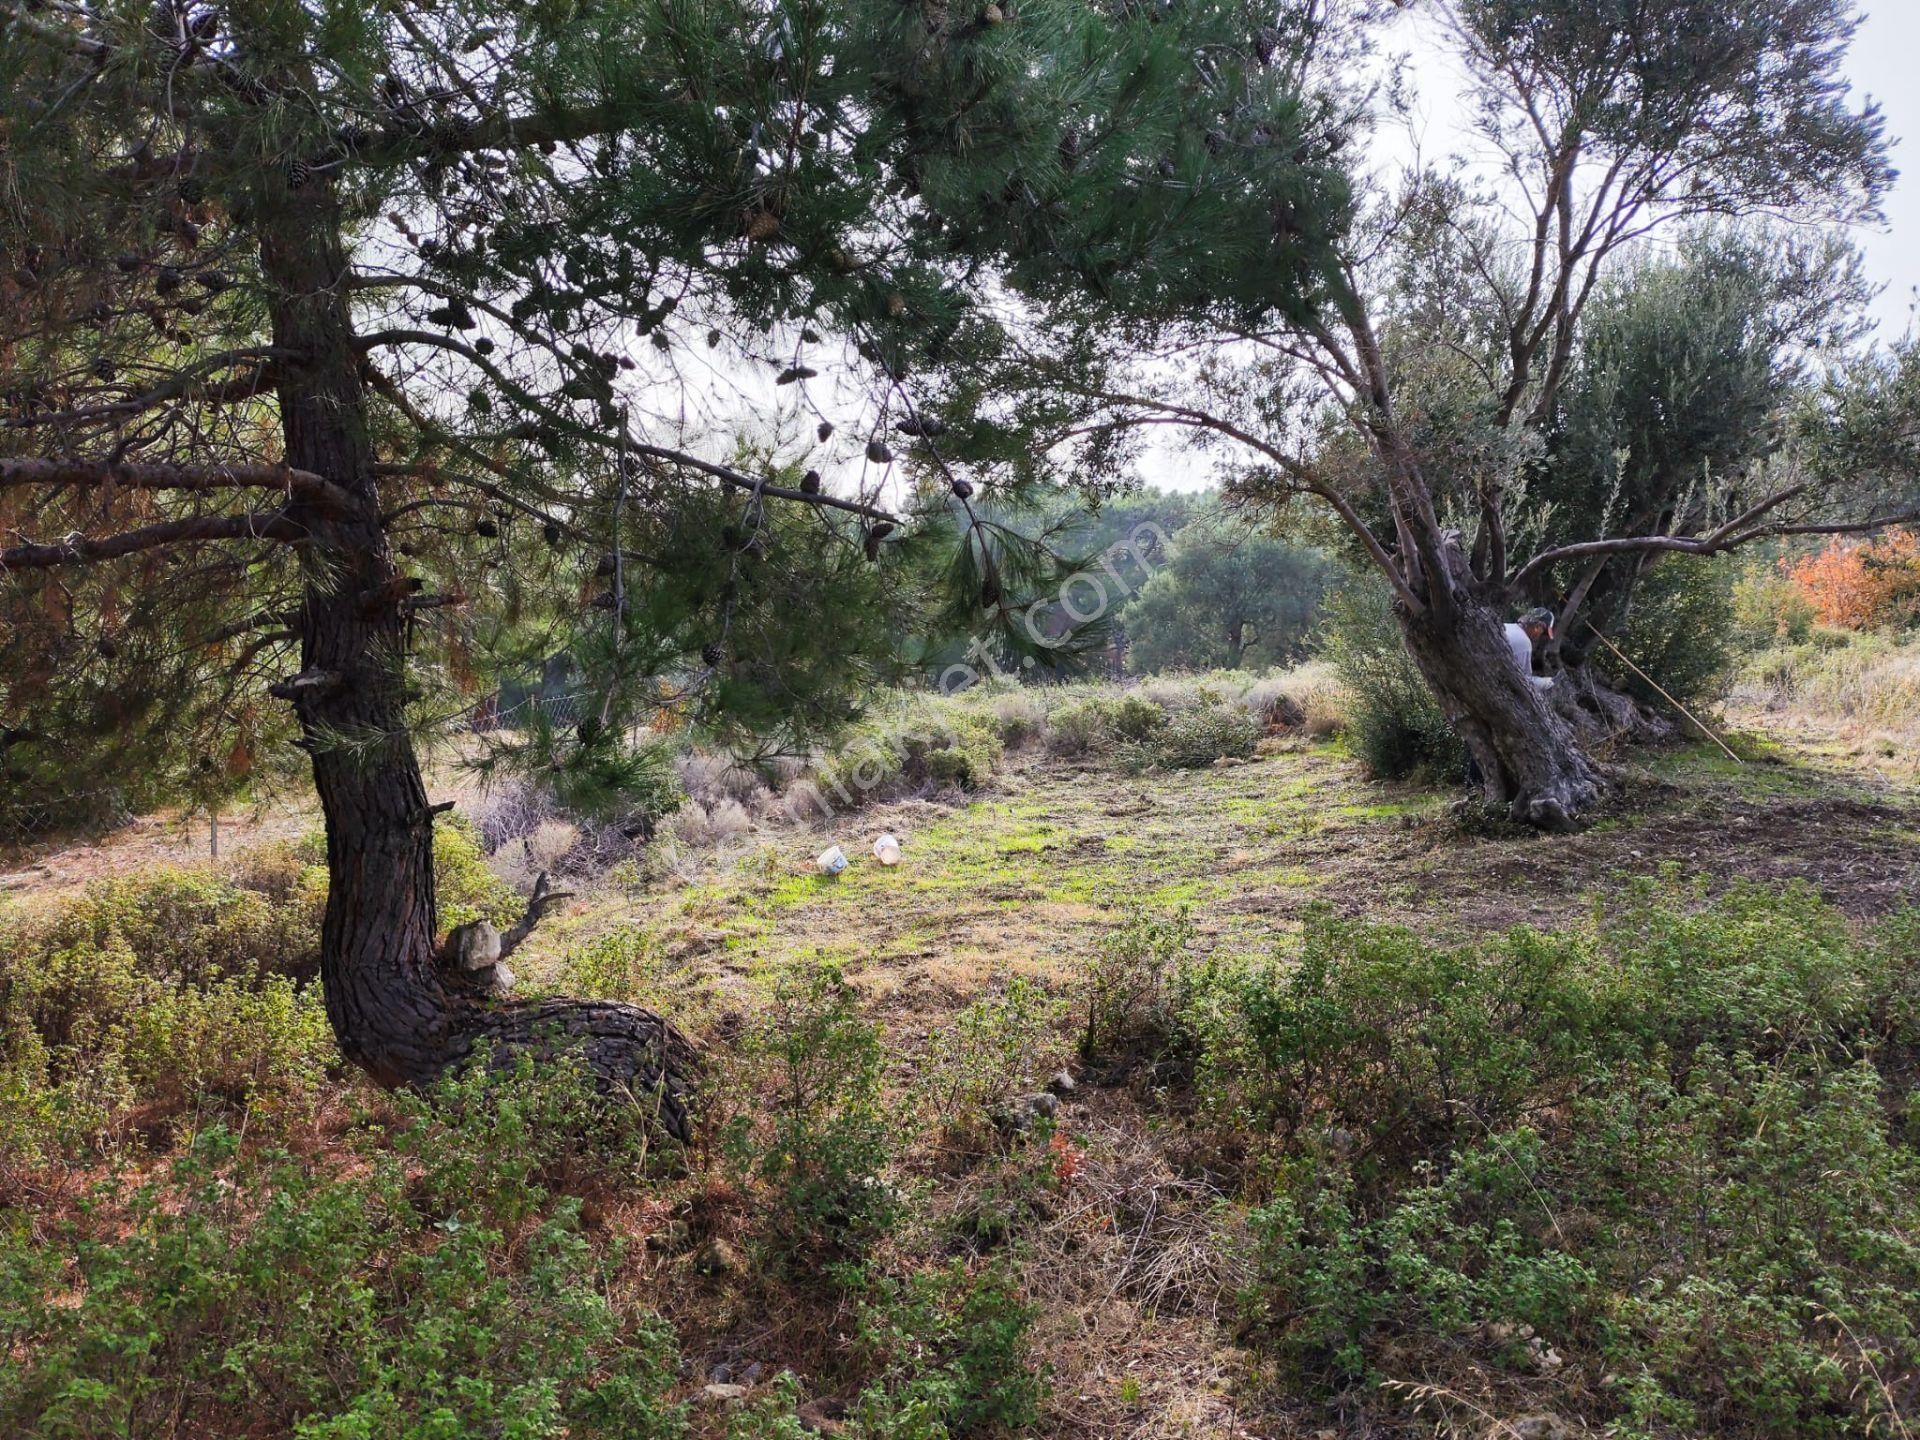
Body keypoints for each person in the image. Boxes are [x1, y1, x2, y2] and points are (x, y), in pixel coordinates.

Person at [1506, 607, 1556, 691]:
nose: (1540, 636)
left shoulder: (1507, 626)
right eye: (1543, 632)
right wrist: (1546, 683)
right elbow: (1522, 681)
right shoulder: (1524, 643)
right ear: (1537, 626)